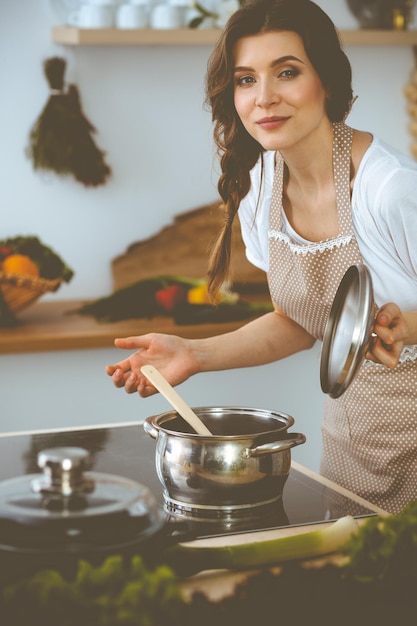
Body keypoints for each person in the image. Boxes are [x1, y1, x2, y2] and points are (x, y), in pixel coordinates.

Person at [106, 0, 417, 514]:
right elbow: (298, 321)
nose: (265, 98)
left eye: (287, 72)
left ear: (328, 82)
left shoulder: (391, 189)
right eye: (246, 80)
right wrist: (194, 353)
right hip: (356, 447)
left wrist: (407, 326)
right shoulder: (263, 188)